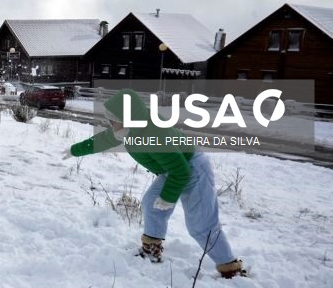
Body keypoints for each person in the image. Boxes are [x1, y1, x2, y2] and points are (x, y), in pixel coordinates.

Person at [66, 88, 244, 278]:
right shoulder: (127, 129)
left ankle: (230, 268)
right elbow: (103, 140)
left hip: (192, 169)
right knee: (152, 203)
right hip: (173, 169)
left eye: (113, 120)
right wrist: (74, 150)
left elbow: (181, 171)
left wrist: (168, 197)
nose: (109, 123)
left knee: (201, 225)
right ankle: (152, 248)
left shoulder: (153, 134)